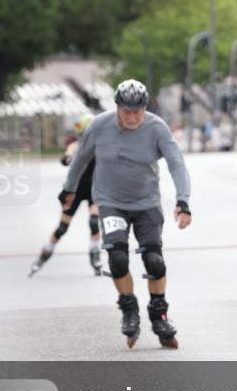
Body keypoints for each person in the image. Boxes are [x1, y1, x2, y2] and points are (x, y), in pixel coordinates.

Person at [60, 79, 192, 349]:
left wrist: (183, 201)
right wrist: (68, 190)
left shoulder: (157, 128)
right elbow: (81, 158)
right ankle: (129, 308)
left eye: (137, 111)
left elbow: (176, 164)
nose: (132, 117)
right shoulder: (100, 125)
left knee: (154, 261)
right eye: (126, 111)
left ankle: (159, 316)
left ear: (144, 108)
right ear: (117, 107)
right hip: (110, 202)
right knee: (118, 259)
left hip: (147, 204)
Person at [29, 114, 102, 277]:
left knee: (94, 222)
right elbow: (69, 152)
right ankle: (45, 253)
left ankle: (95, 254)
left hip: (94, 188)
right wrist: (67, 158)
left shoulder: (101, 146)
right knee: (62, 227)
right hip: (75, 189)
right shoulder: (77, 144)